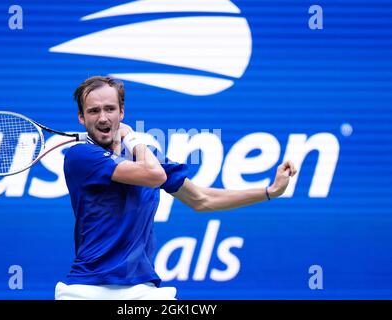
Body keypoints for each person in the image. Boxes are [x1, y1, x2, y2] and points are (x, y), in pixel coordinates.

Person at [55, 76, 297, 300]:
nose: (103, 118)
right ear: (81, 118)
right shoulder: (81, 155)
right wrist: (133, 138)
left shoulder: (147, 156)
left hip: (142, 291)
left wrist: (270, 191)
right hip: (86, 291)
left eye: (110, 109)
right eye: (93, 111)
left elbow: (201, 200)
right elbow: (154, 175)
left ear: (122, 112)